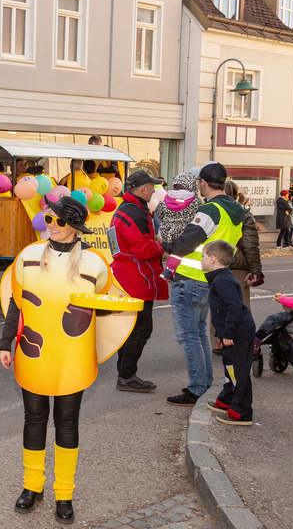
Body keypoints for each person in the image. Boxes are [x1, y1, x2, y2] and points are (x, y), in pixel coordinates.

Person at [0, 197, 116, 523]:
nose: (52, 224)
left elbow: (105, 307)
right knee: (34, 418)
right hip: (33, 351)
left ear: (75, 229)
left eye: (60, 221)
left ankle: (64, 494)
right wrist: (6, 342)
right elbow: (17, 305)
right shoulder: (29, 256)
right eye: (50, 218)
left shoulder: (93, 264)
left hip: (72, 356)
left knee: (66, 422)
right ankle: (32, 486)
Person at [161, 163, 245, 407]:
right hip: (210, 278)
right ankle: (204, 383)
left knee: (189, 337)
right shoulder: (235, 209)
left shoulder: (211, 209)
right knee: (199, 335)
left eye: (198, 182)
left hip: (190, 278)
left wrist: (167, 245)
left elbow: (187, 241)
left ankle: (198, 388)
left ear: (203, 183)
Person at [110, 170, 166, 392]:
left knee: (129, 328)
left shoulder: (125, 209)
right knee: (141, 329)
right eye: (152, 186)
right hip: (136, 276)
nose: (154, 190)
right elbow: (142, 248)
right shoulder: (135, 212)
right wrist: (163, 247)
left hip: (125, 274)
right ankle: (126, 375)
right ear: (143, 189)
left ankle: (124, 372)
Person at [202, 241, 257, 427]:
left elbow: (234, 307)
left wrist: (228, 333)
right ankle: (228, 399)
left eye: (203, 257)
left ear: (212, 259)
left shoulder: (222, 280)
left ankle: (242, 412)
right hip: (232, 333)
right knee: (230, 369)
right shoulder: (220, 277)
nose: (201, 260)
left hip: (238, 334)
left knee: (239, 373)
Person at [153, 171, 203, 245]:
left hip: (167, 239)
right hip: (186, 240)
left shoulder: (167, 197)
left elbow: (159, 213)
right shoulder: (196, 201)